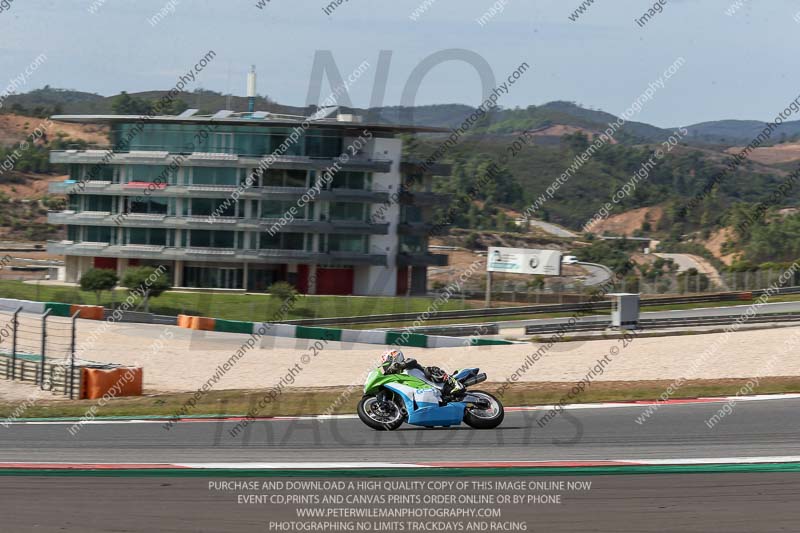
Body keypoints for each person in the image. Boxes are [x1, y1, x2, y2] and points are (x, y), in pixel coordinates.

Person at [379, 349, 464, 398]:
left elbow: (412, 361)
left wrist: (399, 365)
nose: (387, 367)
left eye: (387, 363)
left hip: (433, 381)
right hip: (424, 391)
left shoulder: (407, 363)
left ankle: (453, 382)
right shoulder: (397, 376)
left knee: (428, 370)